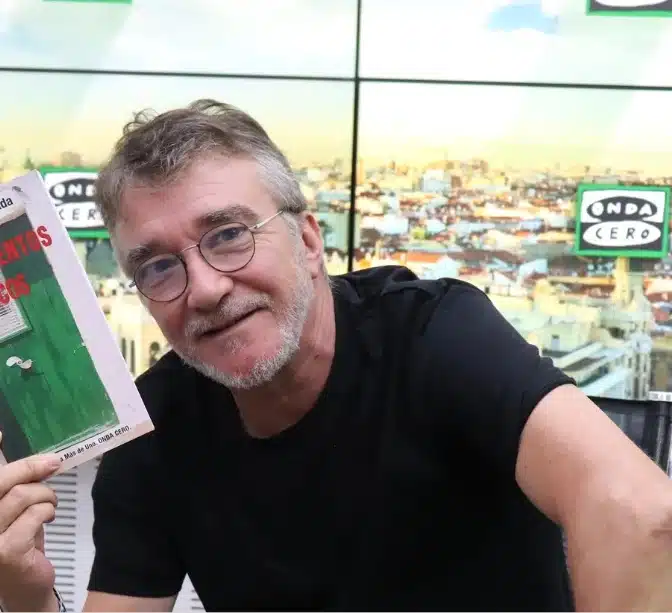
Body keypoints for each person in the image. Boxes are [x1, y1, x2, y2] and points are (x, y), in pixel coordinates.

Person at [0, 99, 671, 612]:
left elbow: (641, 514)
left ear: (309, 241)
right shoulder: (158, 426)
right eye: (158, 267)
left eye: (229, 234)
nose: (203, 288)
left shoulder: (434, 335)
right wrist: (27, 598)